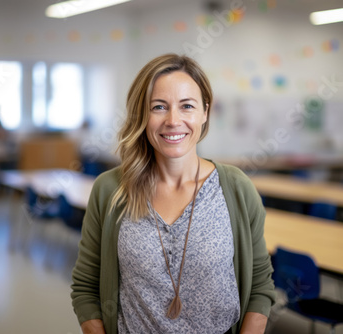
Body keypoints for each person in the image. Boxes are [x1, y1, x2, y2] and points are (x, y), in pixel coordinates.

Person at [71, 54, 275, 334]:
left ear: (205, 111)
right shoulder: (111, 190)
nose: (173, 120)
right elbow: (85, 287)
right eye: (158, 107)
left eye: (187, 106)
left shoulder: (236, 188)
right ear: (142, 115)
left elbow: (260, 285)